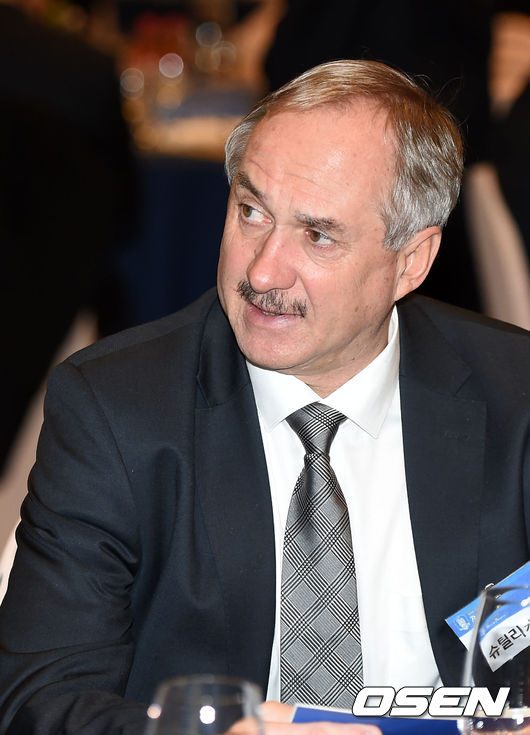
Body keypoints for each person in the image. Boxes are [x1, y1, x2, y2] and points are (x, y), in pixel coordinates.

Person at [0, 59, 528, 735]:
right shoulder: (116, 410)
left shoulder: (515, 395)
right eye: (251, 211)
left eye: (317, 234)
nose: (262, 269)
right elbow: (41, 702)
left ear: (411, 261)